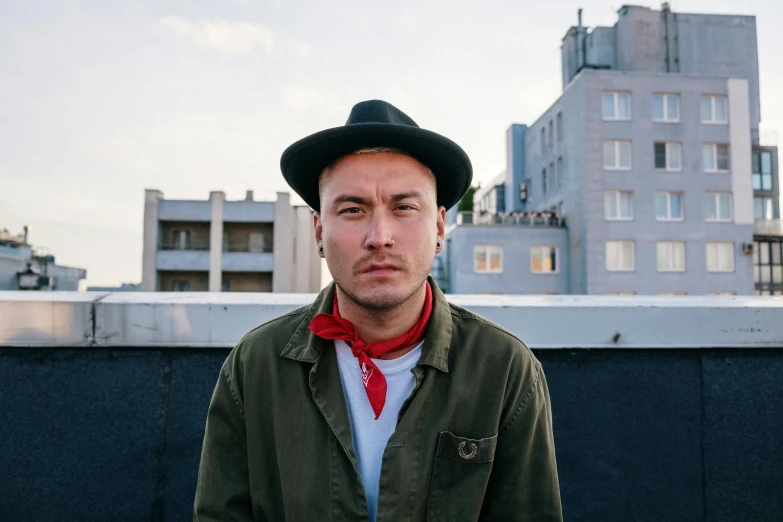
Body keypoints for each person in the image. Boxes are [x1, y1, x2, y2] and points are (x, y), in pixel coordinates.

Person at [193, 100, 562, 521]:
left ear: (439, 228)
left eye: (404, 207)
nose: (379, 236)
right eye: (353, 209)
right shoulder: (255, 365)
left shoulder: (504, 369)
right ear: (319, 230)